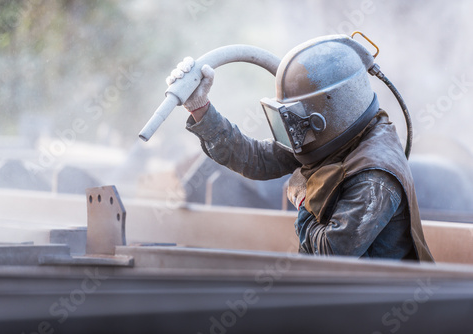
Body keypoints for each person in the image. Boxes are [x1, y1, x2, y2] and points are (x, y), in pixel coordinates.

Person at [166, 35, 434, 262]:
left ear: (323, 116)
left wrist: (305, 199)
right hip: (343, 299)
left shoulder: (375, 177)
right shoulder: (335, 136)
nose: (294, 133)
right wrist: (200, 108)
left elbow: (331, 254)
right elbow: (256, 159)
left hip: (377, 308)